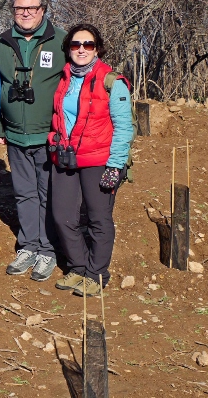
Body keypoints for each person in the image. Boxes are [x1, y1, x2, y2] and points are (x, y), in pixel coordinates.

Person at [49, 23, 133, 297]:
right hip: (66, 156)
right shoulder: (64, 79)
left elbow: (124, 127)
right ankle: (77, 267)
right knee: (62, 217)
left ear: (97, 48)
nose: (81, 50)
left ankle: (97, 275)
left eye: (88, 45)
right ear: (68, 48)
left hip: (99, 160)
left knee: (98, 219)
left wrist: (115, 165)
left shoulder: (112, 81)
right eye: (76, 45)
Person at [0, 0, 67, 281]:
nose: (25, 13)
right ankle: (28, 246)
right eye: (20, 8)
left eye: (31, 8)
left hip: (47, 134)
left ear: (43, 10)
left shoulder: (60, 41)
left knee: (47, 193)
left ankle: (48, 251)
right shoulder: (2, 43)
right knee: (23, 193)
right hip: (14, 134)